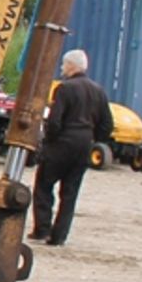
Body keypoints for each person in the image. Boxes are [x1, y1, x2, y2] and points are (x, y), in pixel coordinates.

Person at [30, 49, 114, 246]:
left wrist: (49, 141)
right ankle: (59, 236)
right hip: (84, 145)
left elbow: (54, 121)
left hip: (62, 144)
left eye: (64, 64)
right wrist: (94, 139)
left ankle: (42, 229)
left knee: (43, 185)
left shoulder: (65, 89)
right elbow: (107, 124)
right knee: (70, 192)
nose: (62, 68)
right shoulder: (98, 91)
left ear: (71, 66)